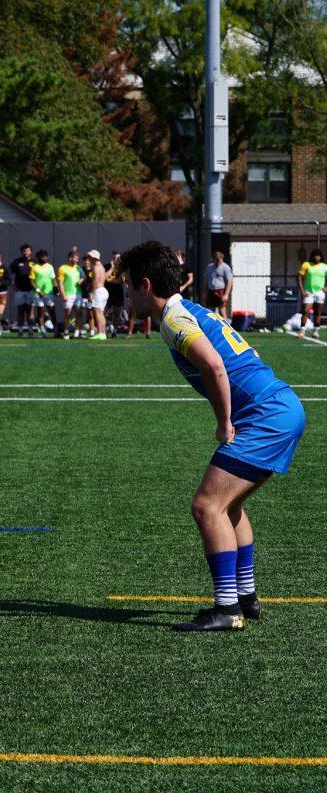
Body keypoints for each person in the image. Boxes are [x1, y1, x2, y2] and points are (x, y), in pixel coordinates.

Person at [119, 240, 305, 631]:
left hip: (266, 414)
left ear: (145, 285)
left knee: (207, 506)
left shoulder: (172, 319)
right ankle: (246, 598)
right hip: (281, 407)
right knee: (228, 506)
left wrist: (223, 422)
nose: (126, 291)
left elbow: (214, 366)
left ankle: (226, 608)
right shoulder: (188, 310)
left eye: (127, 284)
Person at [297, 249, 326, 339]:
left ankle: (316, 331)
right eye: (314, 255)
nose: (316, 257)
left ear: (321, 257)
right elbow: (299, 278)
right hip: (308, 292)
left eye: (318, 255)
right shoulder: (306, 265)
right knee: (306, 311)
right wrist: (302, 291)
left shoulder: (325, 266)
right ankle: (302, 331)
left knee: (318, 312)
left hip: (320, 293)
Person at [55, 249, 83, 339]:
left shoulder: (78, 268)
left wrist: (82, 280)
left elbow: (84, 277)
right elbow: (60, 283)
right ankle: (66, 331)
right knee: (68, 313)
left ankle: (76, 332)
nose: (77, 260)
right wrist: (63, 295)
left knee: (79, 313)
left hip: (78, 294)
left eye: (78, 258)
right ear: (70, 258)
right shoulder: (62, 268)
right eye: (75, 258)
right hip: (68, 294)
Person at [9, 243, 35, 336]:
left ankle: (31, 330)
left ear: (30, 251)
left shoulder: (35, 262)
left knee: (30, 310)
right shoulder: (16, 261)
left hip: (31, 290)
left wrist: (36, 287)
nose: (25, 252)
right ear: (21, 252)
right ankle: (20, 331)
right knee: (20, 311)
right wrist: (13, 285)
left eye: (27, 250)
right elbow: (8, 274)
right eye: (24, 251)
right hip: (19, 290)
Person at [31, 250, 55, 335]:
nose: (45, 258)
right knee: (40, 312)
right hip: (38, 294)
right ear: (39, 257)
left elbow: (53, 278)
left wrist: (55, 287)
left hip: (49, 293)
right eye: (43, 256)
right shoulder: (34, 267)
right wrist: (38, 291)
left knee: (52, 312)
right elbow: (32, 281)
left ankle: (56, 332)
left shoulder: (50, 266)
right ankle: (43, 331)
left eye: (46, 256)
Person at [203, 250, 233, 319]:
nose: (219, 262)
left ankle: (226, 327)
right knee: (210, 312)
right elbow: (206, 280)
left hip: (220, 291)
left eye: (220, 260)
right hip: (211, 291)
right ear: (213, 259)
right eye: (217, 260)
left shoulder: (225, 267)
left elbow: (229, 281)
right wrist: (205, 293)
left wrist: (226, 294)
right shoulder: (209, 267)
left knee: (222, 310)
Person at [86, 250, 108, 340]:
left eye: (90, 256)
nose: (89, 258)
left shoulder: (95, 266)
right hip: (102, 291)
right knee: (101, 313)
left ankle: (100, 333)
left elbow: (95, 280)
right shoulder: (101, 266)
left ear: (94, 257)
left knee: (98, 313)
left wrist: (91, 293)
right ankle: (103, 333)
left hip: (98, 291)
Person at [105, 250, 125, 336]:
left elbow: (121, 280)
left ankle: (114, 331)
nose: (116, 260)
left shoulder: (121, 268)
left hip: (118, 293)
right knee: (104, 313)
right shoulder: (106, 266)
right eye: (114, 258)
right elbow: (104, 277)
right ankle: (105, 329)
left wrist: (110, 280)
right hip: (108, 293)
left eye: (118, 258)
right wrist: (111, 269)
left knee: (117, 313)